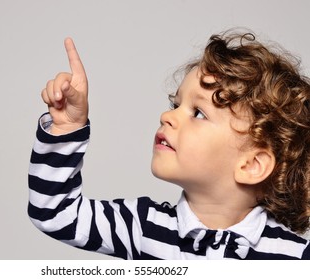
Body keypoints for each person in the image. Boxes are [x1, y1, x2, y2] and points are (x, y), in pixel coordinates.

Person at [28, 30, 310, 259]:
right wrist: (66, 129)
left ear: (251, 165)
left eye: (198, 113)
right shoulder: (142, 226)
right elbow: (54, 213)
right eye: (175, 104)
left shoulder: (295, 257)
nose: (167, 116)